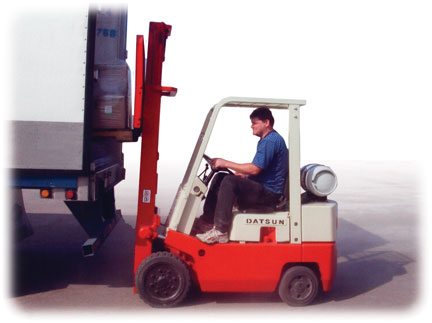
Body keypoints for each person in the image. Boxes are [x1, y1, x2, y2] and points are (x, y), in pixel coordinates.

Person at [195, 107, 288, 244]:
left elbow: (255, 169)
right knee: (221, 177)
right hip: (264, 188)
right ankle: (208, 221)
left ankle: (220, 231)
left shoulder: (271, 141)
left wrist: (225, 162)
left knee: (229, 182)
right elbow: (261, 169)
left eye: (255, 122)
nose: (252, 126)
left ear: (266, 122)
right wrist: (245, 175)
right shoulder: (269, 140)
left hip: (269, 194)